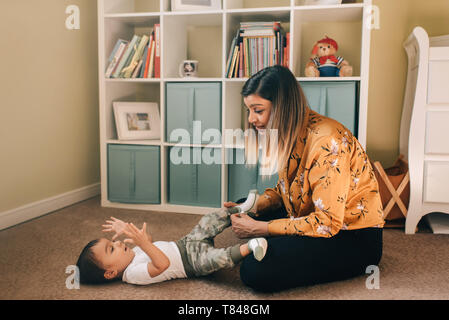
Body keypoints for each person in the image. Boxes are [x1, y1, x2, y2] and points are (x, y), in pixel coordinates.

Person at [224, 65, 384, 292]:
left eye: (258, 110)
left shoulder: (327, 141)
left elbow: (327, 223)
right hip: (307, 215)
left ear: (281, 108)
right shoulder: (289, 132)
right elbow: (286, 191)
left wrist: (262, 229)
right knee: (246, 206)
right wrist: (254, 206)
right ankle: (273, 237)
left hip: (351, 237)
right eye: (249, 110)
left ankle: (272, 241)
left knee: (254, 269)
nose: (251, 119)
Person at [76, 193, 266, 285]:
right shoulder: (133, 274)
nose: (117, 243)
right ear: (110, 273)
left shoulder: (132, 255)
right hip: (192, 263)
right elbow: (162, 264)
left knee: (208, 221)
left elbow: (148, 241)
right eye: (111, 249)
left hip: (185, 243)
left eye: (112, 242)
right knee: (218, 258)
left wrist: (129, 231)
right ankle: (250, 246)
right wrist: (142, 243)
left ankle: (242, 208)